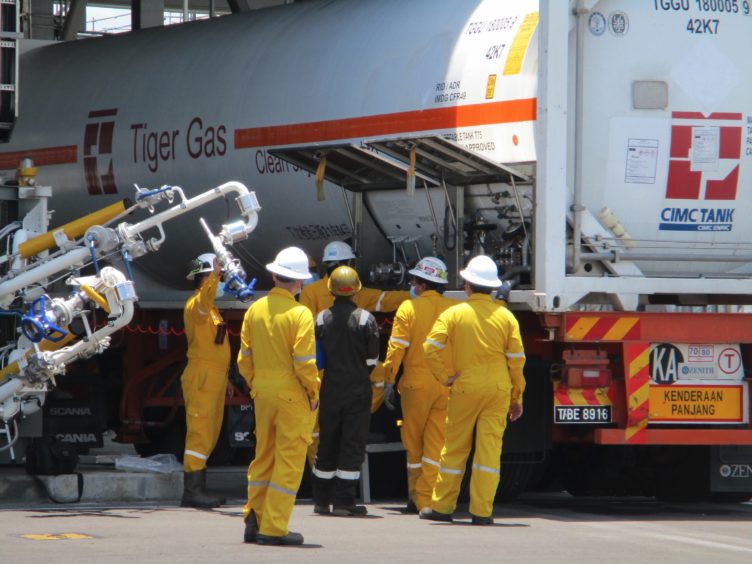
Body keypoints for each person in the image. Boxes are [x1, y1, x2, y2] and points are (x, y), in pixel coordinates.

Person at [420, 255, 526, 525]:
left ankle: (443, 508)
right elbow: (517, 361)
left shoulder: (454, 313)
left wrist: (444, 377)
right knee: (489, 452)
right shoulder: (506, 317)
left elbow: (430, 347)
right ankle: (482, 512)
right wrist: (517, 397)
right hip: (498, 390)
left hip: (465, 387)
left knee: (455, 448)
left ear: (467, 285)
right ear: (492, 287)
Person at [299, 240, 409, 467]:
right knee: (379, 375)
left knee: (316, 428)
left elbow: (306, 329)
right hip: (349, 365)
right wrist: (417, 295)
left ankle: (320, 475)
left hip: (320, 366)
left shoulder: (309, 292)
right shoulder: (355, 291)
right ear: (346, 264)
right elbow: (385, 300)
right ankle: (359, 414)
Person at [238, 246, 320, 546]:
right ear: (300, 283)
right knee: (289, 461)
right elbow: (304, 362)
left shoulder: (254, 310)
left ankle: (253, 518)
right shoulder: (301, 314)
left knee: (263, 457)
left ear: (273, 275)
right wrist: (313, 392)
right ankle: (273, 527)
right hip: (292, 393)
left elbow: (243, 359)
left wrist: (256, 384)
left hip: (263, 391)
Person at [381, 257, 457, 514]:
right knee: (436, 444)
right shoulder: (455, 309)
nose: (412, 284)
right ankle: (429, 499)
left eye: (414, 280)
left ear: (422, 284)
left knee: (414, 444)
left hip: (415, 384)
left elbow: (396, 348)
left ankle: (416, 497)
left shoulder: (408, 308)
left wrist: (388, 380)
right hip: (446, 383)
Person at [311, 265, 380, 516]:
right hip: (357, 388)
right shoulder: (365, 319)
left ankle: (321, 500)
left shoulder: (320, 318)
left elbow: (316, 357)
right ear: (356, 291)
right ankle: (343, 501)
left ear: (331, 290)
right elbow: (373, 359)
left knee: (327, 441)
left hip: (329, 387)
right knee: (352, 443)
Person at [180, 253, 230, 509]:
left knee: (210, 432)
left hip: (214, 377)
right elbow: (204, 298)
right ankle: (192, 491)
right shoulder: (197, 305)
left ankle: (199, 488)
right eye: (214, 276)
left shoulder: (211, 309)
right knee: (199, 432)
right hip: (202, 376)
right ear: (205, 277)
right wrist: (217, 276)